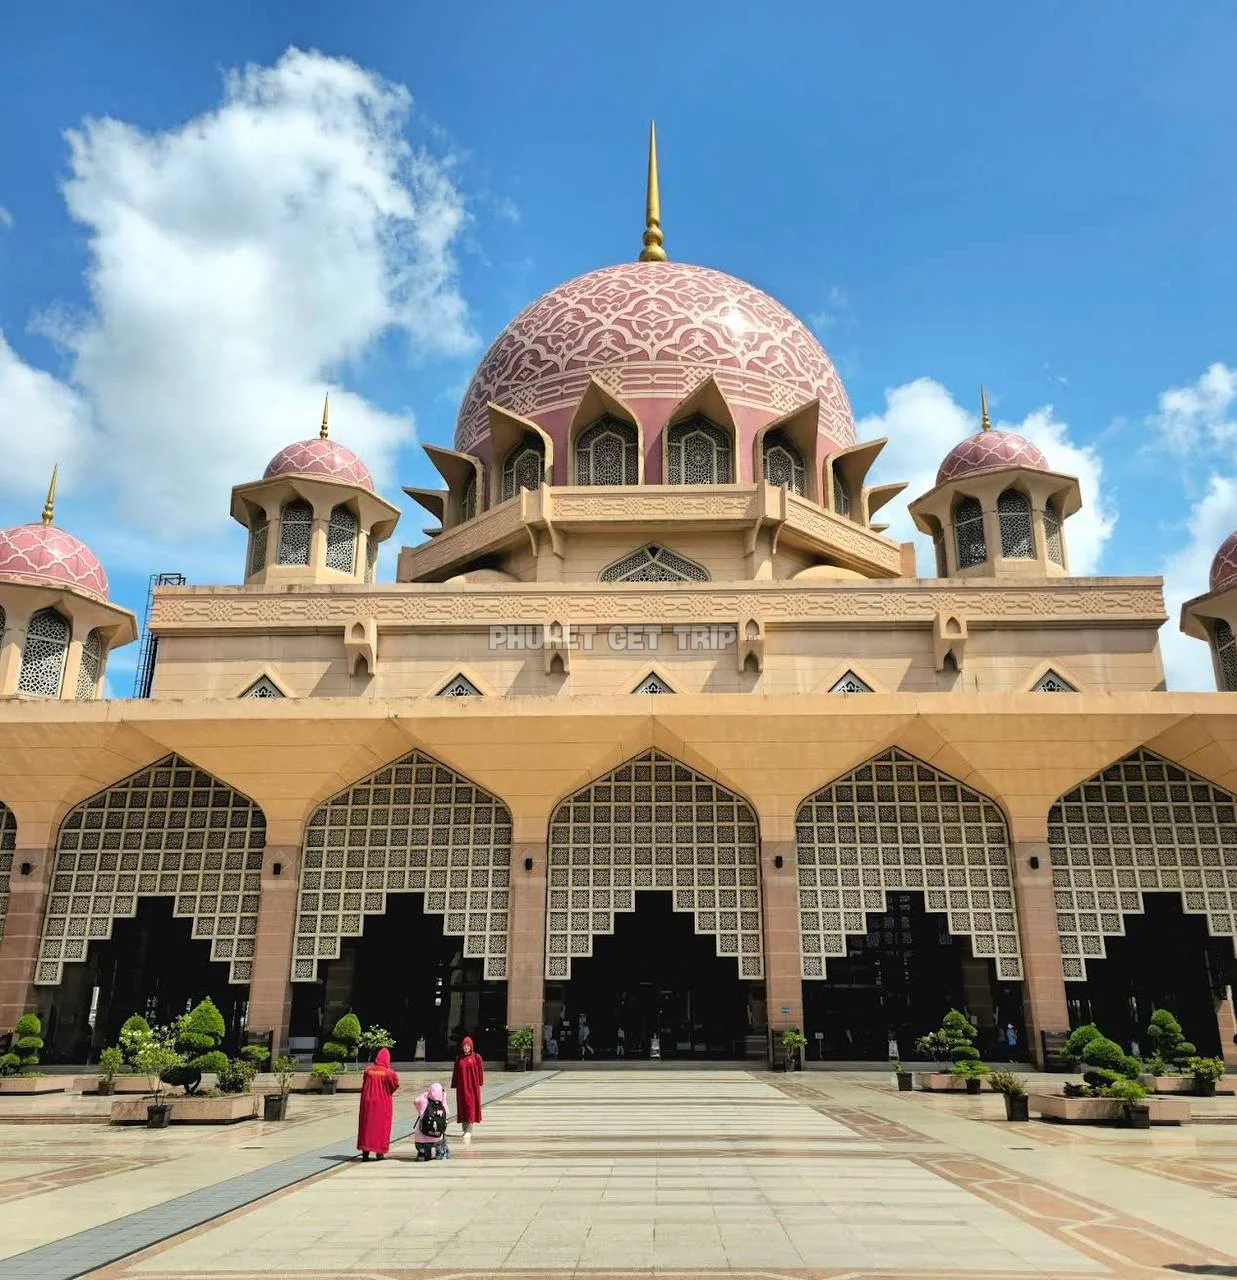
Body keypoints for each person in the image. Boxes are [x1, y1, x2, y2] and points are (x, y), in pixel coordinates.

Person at [356, 1047, 399, 1161]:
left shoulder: (368, 1070)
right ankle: (379, 1153)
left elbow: (365, 1083)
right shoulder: (389, 1073)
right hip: (382, 1103)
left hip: (367, 1102)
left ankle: (365, 1153)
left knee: (366, 1126)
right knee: (381, 1127)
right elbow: (394, 1086)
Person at [451, 1034, 485, 1145]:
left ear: (471, 1046)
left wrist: (479, 1082)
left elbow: (480, 1071)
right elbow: (455, 1072)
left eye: (468, 1046)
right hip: (462, 1088)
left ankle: (469, 1130)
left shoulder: (476, 1057)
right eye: (465, 1046)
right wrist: (454, 1084)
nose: (466, 1047)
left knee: (470, 1106)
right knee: (463, 1106)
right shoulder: (459, 1058)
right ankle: (464, 1129)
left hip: (472, 1087)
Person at [413, 1081, 450, 1161]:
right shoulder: (443, 1104)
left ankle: (422, 1154)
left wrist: (424, 1094)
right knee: (442, 1138)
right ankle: (441, 1154)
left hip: (421, 1140)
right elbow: (447, 1114)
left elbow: (415, 1101)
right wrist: (444, 1097)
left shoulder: (423, 1102)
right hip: (437, 1138)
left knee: (420, 1136)